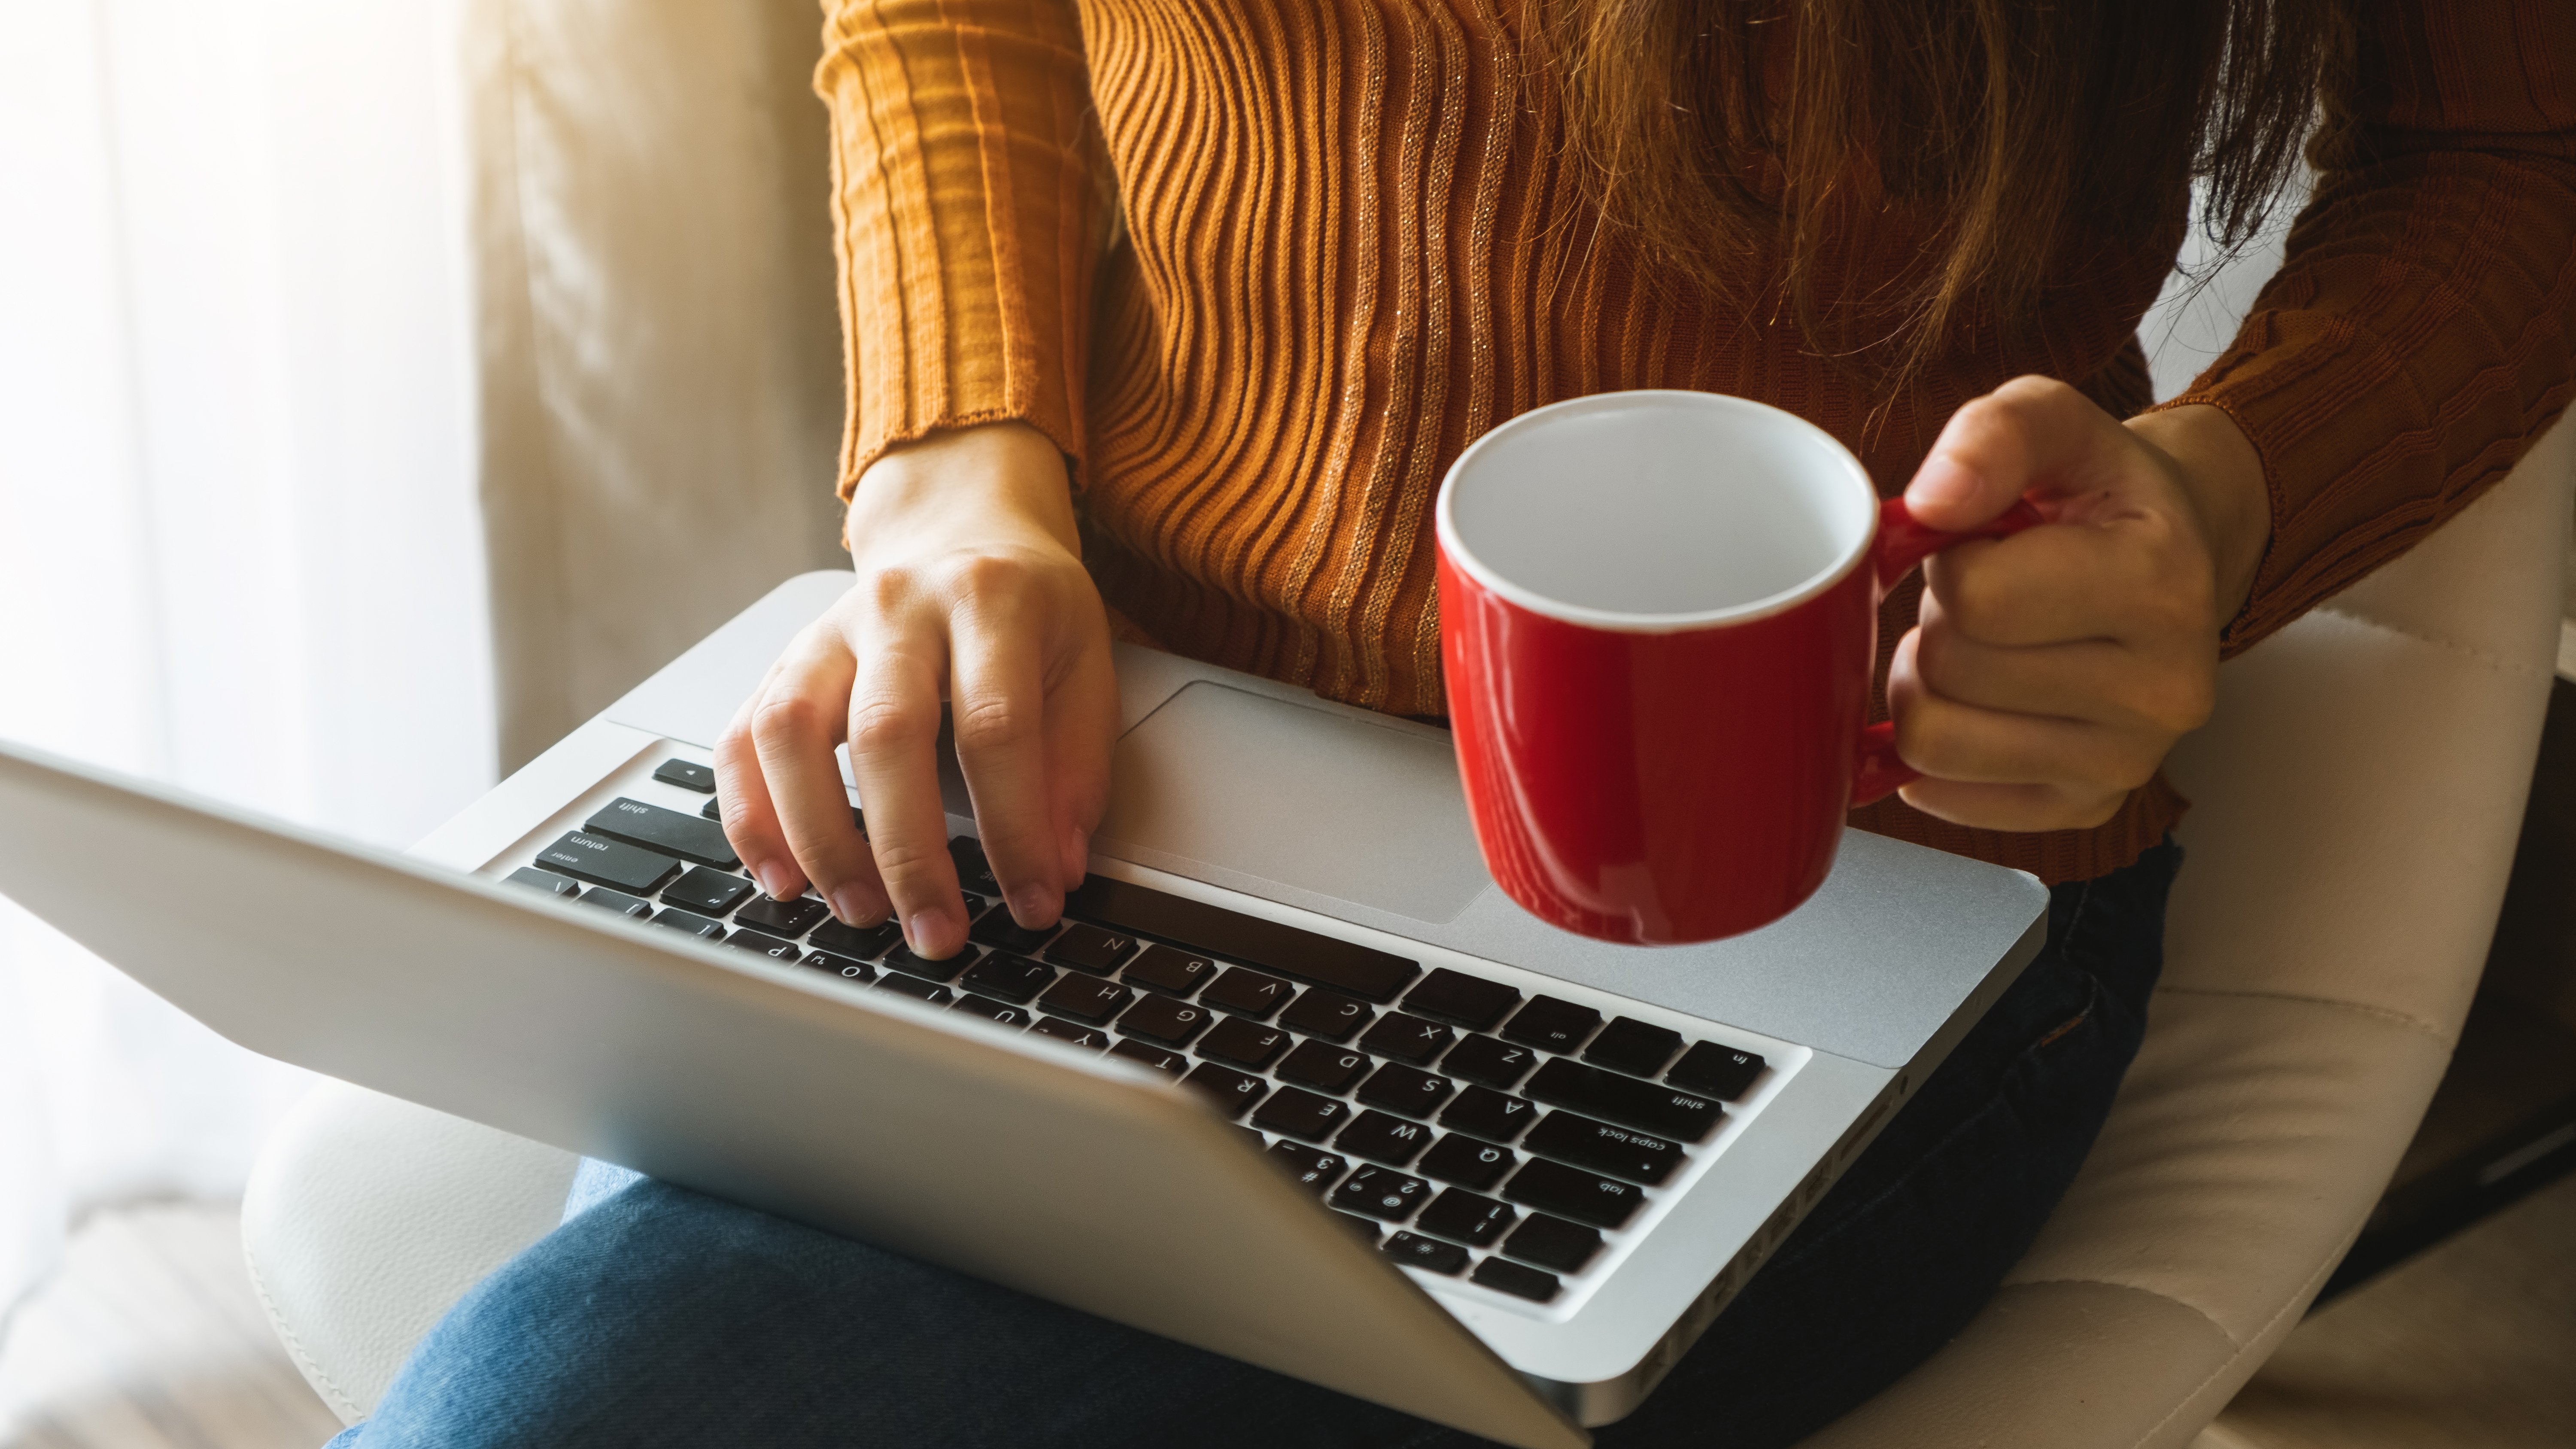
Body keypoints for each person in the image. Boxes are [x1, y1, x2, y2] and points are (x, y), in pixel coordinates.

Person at [337, 2, 2575, 1444]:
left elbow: (2511, 166)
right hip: (1129, 765)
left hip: (1808, 907)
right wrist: (957, 492)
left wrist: (2213, 502)